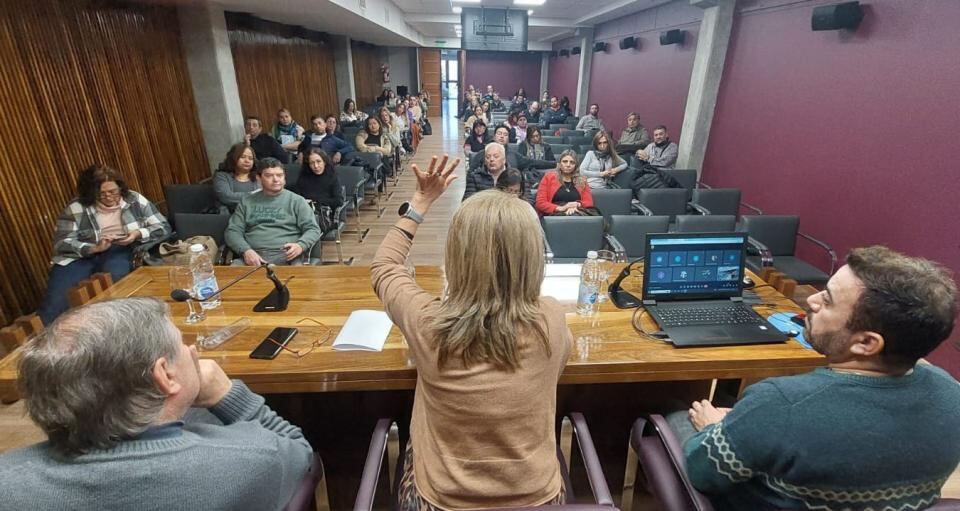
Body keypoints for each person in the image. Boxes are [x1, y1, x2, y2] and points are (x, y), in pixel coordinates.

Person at [674, 246, 960, 511]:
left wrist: (711, 429)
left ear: (866, 343)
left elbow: (704, 474)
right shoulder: (952, 396)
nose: (811, 300)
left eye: (827, 300)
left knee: (675, 412)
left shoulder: (779, 402)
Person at [370, 157, 572, 510]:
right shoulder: (551, 319)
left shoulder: (427, 323)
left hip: (440, 501)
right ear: (532, 257)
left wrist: (419, 203)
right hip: (538, 499)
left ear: (457, 256)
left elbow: (385, 267)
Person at [1, 297, 313, 509]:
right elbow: (303, 455)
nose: (191, 350)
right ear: (164, 376)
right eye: (182, 345)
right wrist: (226, 393)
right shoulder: (253, 458)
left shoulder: (8, 484)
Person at [36, 165, 171, 325]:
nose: (109, 197)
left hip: (120, 248)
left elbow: (163, 227)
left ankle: (104, 327)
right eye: (102, 194)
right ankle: (46, 338)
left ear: (120, 187)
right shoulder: (77, 208)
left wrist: (136, 234)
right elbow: (61, 243)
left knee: (113, 288)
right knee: (57, 300)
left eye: (113, 191)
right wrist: (93, 248)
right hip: (81, 254)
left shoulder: (133, 199)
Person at [225, 158, 321, 266]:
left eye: (280, 175)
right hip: (253, 257)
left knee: (298, 279)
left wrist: (300, 246)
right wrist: (246, 251)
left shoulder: (297, 201)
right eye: (269, 175)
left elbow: (313, 229)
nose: (276, 179)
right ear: (258, 178)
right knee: (231, 278)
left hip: (289, 256)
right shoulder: (246, 202)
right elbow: (233, 231)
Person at [290, 149, 342, 234]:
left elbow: (338, 201)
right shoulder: (304, 177)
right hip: (304, 212)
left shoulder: (333, 177)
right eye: (312, 163)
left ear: (324, 162)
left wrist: (315, 201)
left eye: (318, 162)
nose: (316, 166)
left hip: (322, 214)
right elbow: (298, 194)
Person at [468, 125, 555, 175]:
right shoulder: (482, 154)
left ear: (508, 139)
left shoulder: (514, 156)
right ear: (494, 137)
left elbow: (533, 162)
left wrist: (555, 164)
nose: (502, 136)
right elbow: (471, 174)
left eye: (505, 134)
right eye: (499, 133)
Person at [535, 150, 595, 216]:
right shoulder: (549, 177)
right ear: (560, 163)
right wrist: (562, 208)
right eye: (565, 161)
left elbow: (589, 202)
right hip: (555, 213)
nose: (568, 165)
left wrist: (577, 205)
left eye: (572, 162)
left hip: (577, 212)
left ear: (576, 165)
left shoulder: (582, 180)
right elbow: (540, 203)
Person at [214, 143, 262, 213]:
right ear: (233, 158)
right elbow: (226, 197)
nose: (247, 161)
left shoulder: (258, 176)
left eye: (250, 158)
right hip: (231, 216)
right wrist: (254, 195)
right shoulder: (222, 176)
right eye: (243, 157)